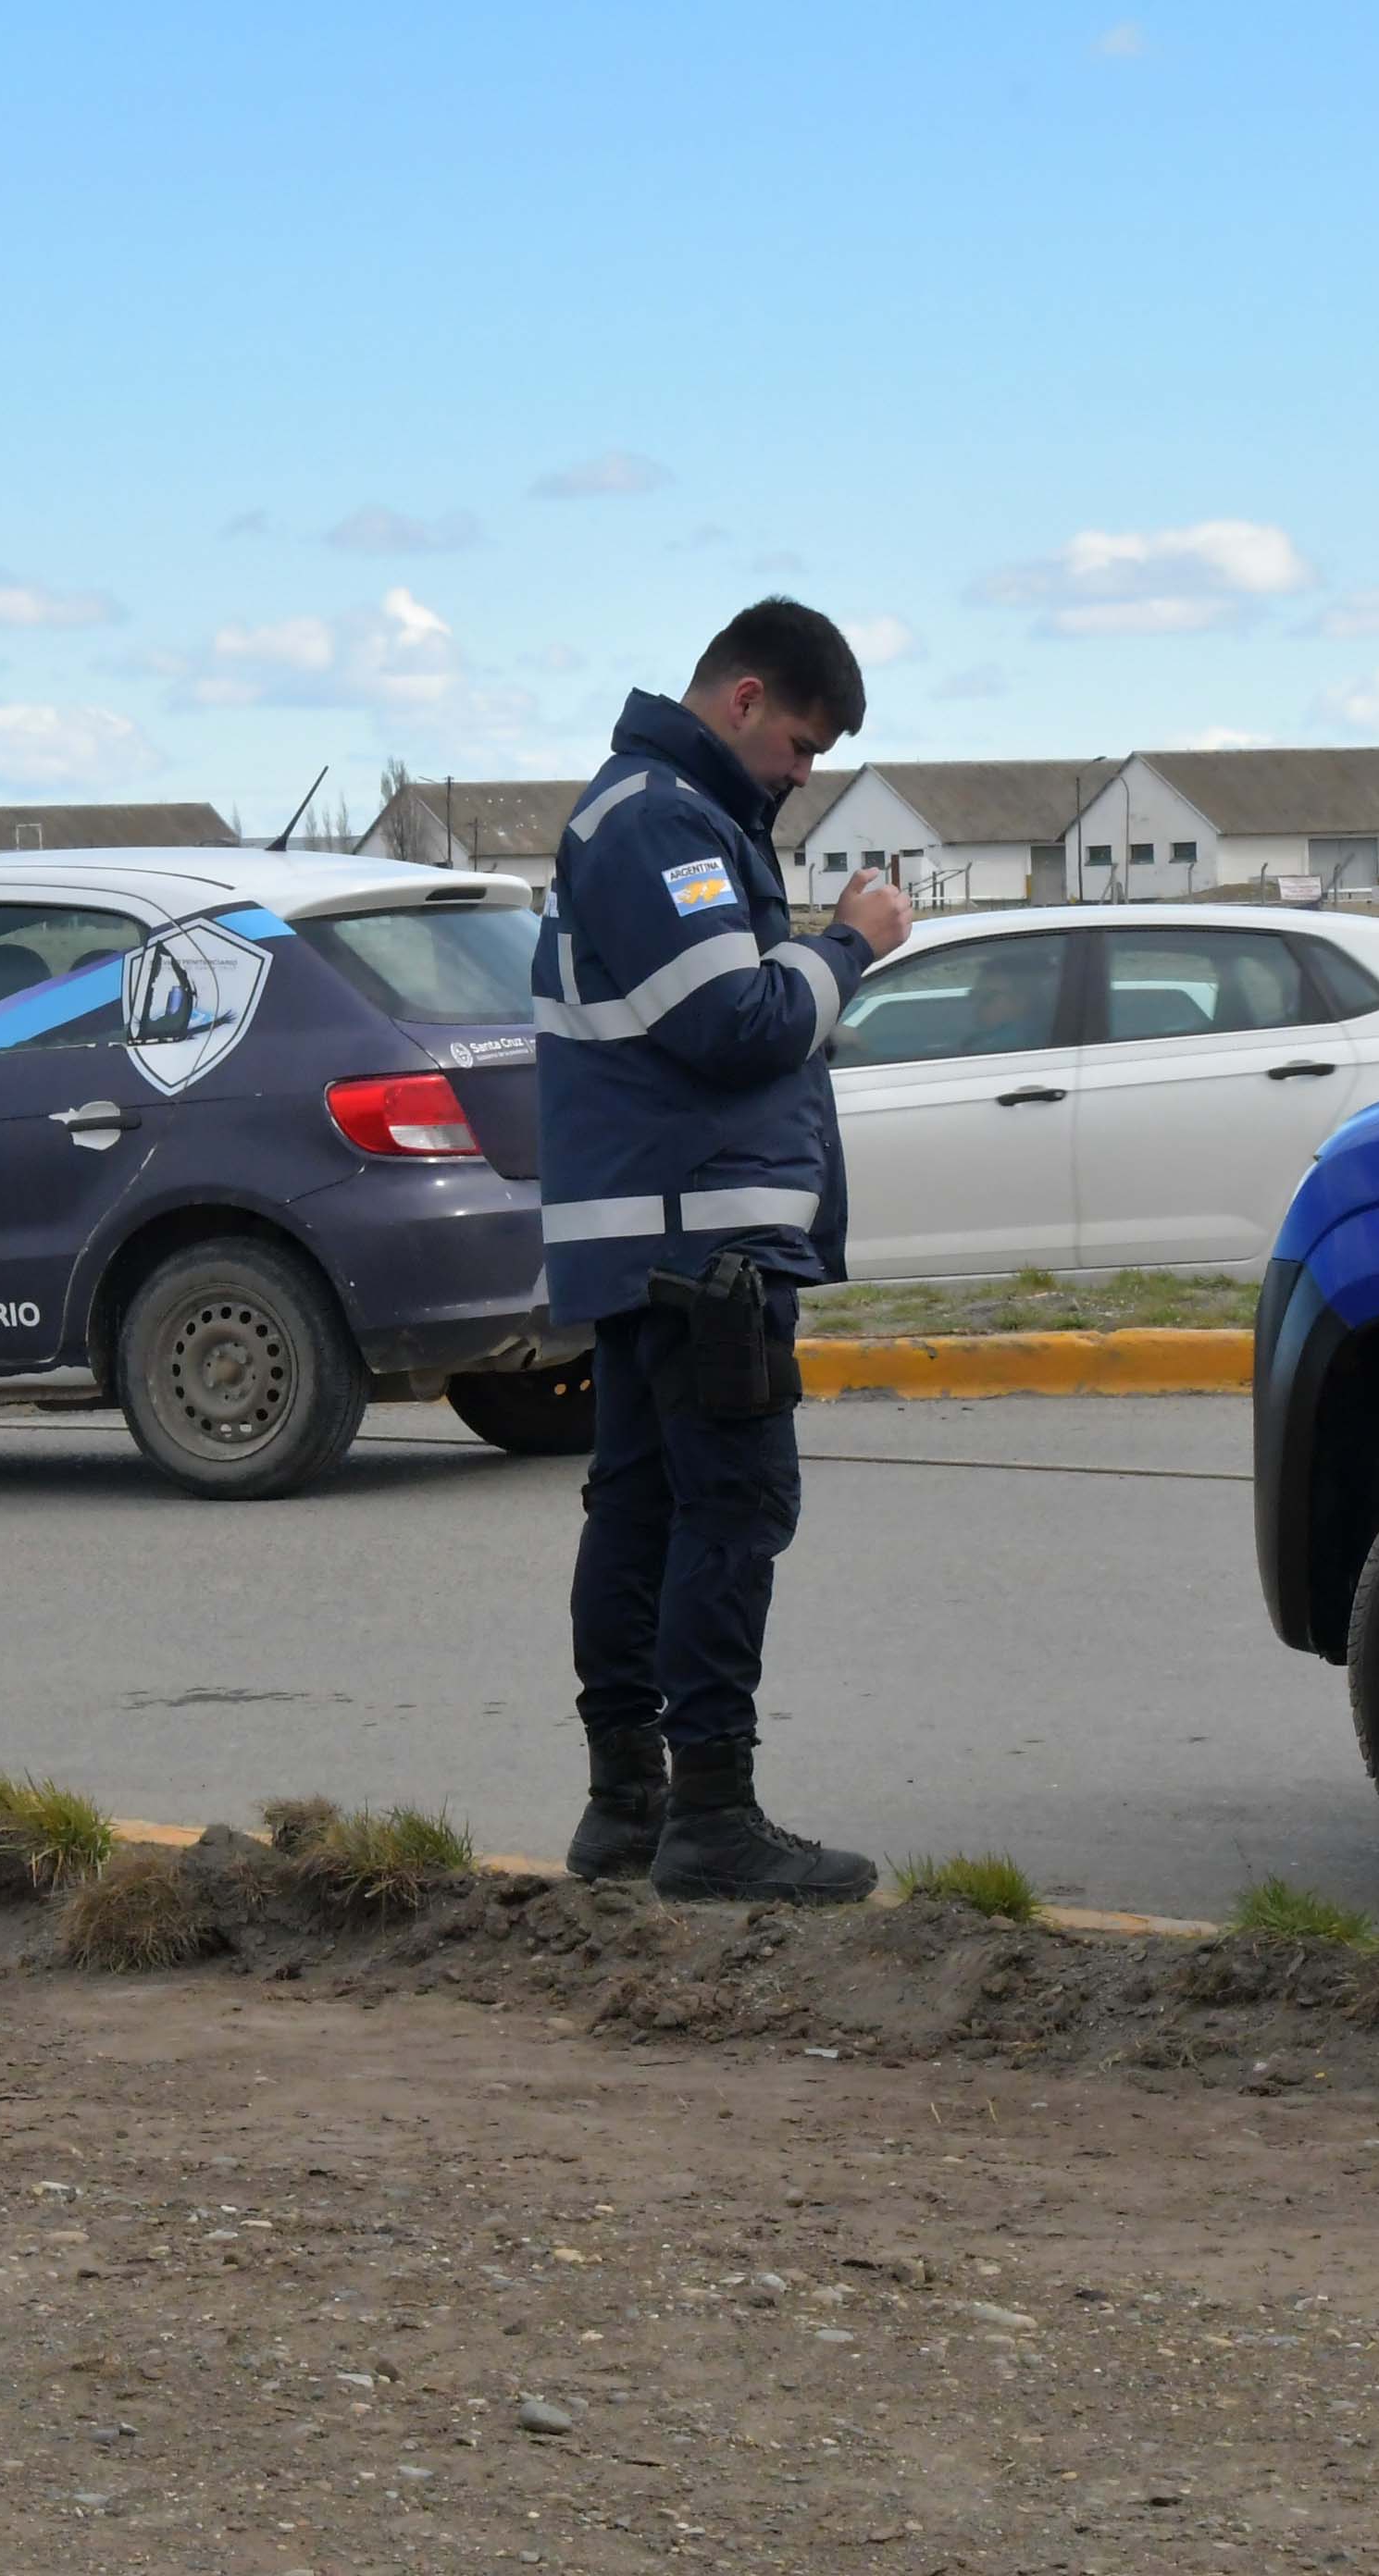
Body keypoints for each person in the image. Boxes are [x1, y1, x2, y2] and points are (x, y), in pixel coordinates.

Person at [535, 601, 913, 1903]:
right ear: (743, 698)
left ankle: (627, 1808)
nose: (803, 776)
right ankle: (709, 1816)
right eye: (800, 745)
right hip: (697, 1246)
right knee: (731, 1511)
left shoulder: (661, 815)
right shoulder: (661, 821)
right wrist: (851, 945)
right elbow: (734, 1023)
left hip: (662, 1238)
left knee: (644, 1509)